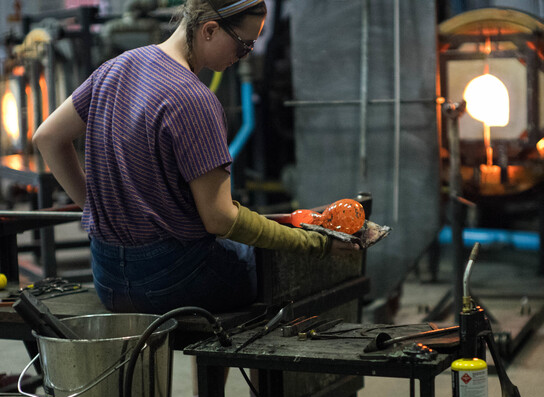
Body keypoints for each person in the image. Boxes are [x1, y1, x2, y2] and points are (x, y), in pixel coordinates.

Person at [33, 0, 358, 316]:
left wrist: (97, 209)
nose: (244, 56)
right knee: (277, 271)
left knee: (237, 249)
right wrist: (313, 244)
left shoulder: (116, 67)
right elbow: (219, 219)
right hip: (173, 280)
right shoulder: (194, 100)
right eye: (244, 45)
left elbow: (47, 137)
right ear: (210, 30)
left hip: (108, 278)